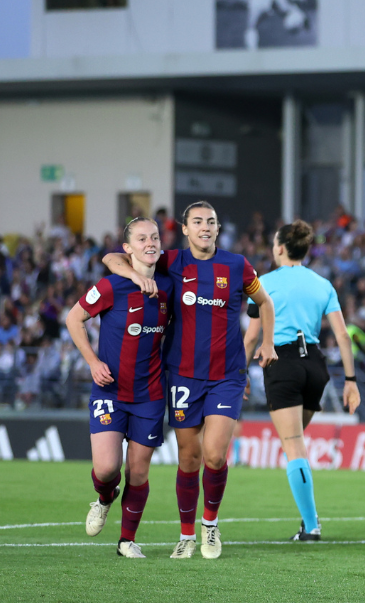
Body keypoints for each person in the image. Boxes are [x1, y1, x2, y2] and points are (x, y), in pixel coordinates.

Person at [103, 201, 279, 560]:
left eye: (210, 222)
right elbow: (112, 259)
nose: (204, 227)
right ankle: (185, 536)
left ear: (217, 229)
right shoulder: (172, 262)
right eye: (197, 222)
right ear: (184, 229)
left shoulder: (237, 265)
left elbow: (265, 301)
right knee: (189, 458)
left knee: (214, 455)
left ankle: (209, 527)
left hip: (227, 376)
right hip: (182, 376)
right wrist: (136, 277)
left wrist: (268, 342)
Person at [242, 219, 362, 542]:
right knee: (296, 443)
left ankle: (311, 526)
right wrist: (350, 380)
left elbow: (252, 338)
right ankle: (307, 521)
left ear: (279, 248)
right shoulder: (322, 284)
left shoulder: (263, 282)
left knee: (293, 444)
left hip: (282, 362)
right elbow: (342, 336)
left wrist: (240, 374)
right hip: (316, 366)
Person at [67, 217, 173, 559]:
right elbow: (73, 318)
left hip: (150, 395)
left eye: (154, 237)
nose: (150, 243)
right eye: (142, 238)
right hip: (111, 391)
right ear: (127, 248)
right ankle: (103, 497)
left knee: (138, 472)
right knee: (107, 470)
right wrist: (93, 362)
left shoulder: (169, 286)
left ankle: (126, 540)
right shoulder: (112, 286)